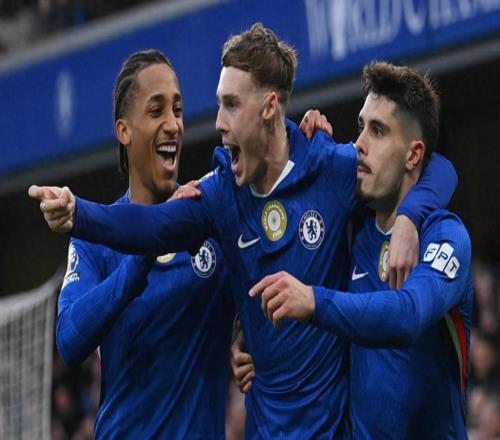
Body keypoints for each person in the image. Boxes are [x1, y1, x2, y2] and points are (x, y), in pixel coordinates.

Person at [30, 24, 457, 438]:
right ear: (123, 131)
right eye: (158, 111)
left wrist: (409, 216)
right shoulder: (194, 209)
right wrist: (81, 214)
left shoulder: (326, 171)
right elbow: (76, 332)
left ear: (269, 107)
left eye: (228, 104)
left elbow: (432, 166)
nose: (208, 122)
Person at [250, 62, 472, 439]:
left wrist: (314, 300)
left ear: (413, 156)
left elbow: (408, 316)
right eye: (361, 126)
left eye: (378, 131)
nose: (359, 144)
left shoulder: (446, 236)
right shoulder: (354, 226)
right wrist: (254, 341)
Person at [53, 49, 236, 438]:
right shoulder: (95, 241)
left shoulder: (211, 217)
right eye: (156, 111)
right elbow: (70, 340)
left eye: (178, 110)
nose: (173, 125)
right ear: (124, 131)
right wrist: (149, 247)